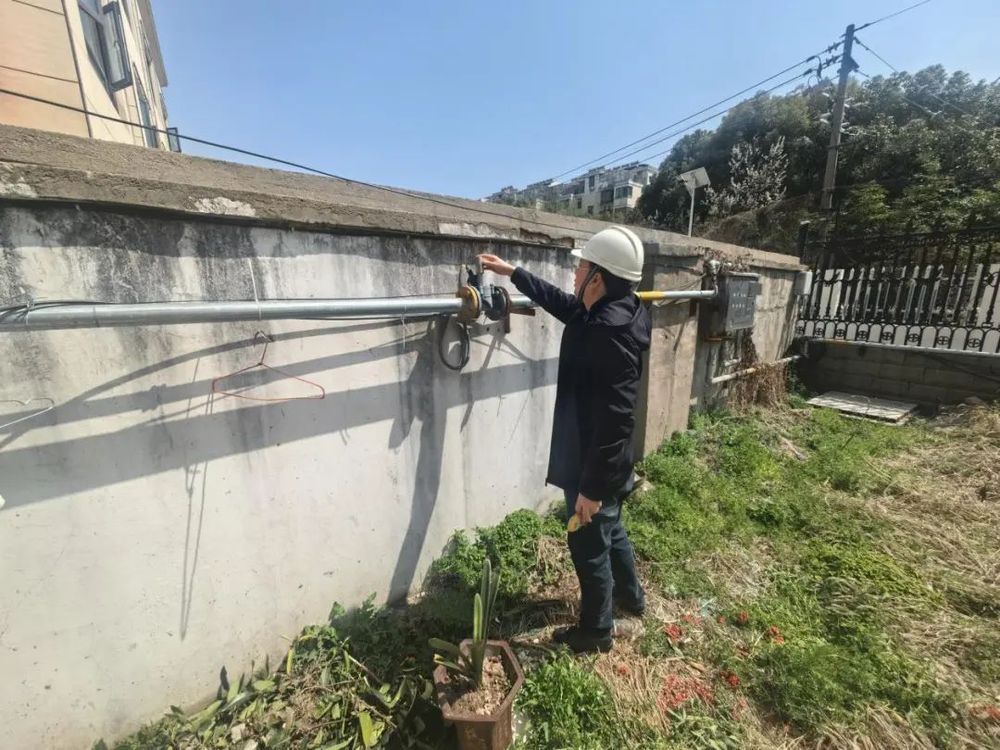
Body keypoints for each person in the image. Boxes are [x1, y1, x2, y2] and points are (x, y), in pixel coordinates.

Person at [478, 225, 650, 654]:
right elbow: (563, 304)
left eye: (581, 267)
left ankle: (596, 632)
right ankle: (631, 598)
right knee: (612, 529)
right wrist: (513, 273)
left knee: (588, 546)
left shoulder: (608, 335)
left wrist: (590, 489)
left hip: (595, 464)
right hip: (607, 463)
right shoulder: (615, 310)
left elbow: (616, 420)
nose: (575, 273)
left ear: (598, 278)